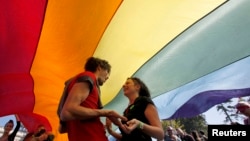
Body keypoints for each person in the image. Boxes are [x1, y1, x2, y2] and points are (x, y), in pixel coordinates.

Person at [59, 57, 127, 141]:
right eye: (107, 72)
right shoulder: (88, 76)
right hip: (92, 136)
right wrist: (107, 112)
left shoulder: (72, 84)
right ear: (99, 68)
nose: (108, 77)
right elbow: (67, 111)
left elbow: (62, 129)